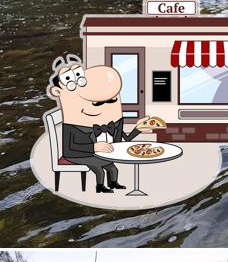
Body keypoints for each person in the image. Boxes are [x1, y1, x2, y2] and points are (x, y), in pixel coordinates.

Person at [47, 55, 151, 193]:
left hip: (99, 151)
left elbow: (124, 140)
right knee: (99, 167)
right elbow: (70, 148)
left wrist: (139, 128)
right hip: (77, 154)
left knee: (112, 167)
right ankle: (100, 186)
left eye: (112, 100)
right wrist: (94, 146)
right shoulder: (73, 126)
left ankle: (113, 183)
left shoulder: (112, 123)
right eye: (97, 103)